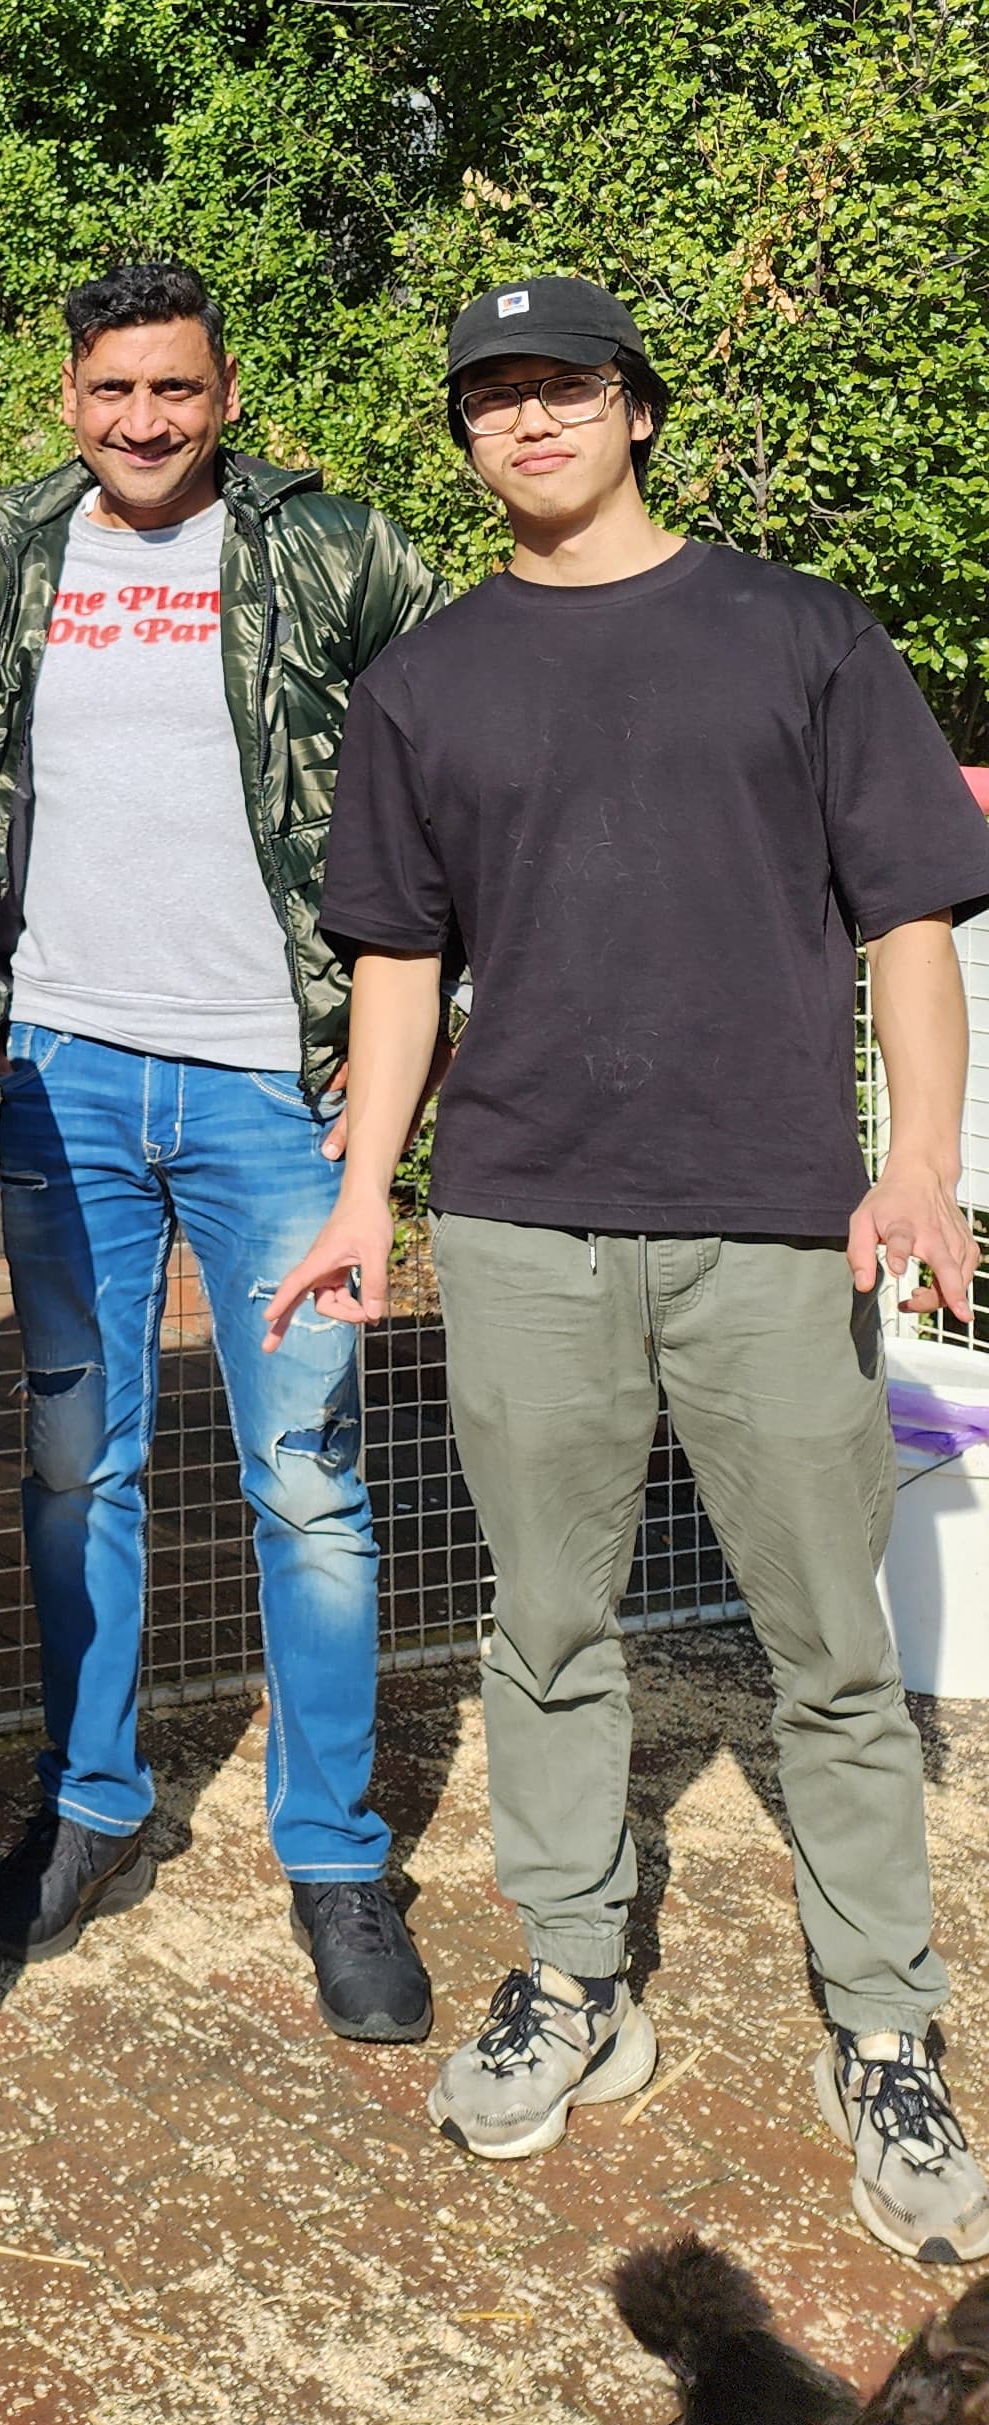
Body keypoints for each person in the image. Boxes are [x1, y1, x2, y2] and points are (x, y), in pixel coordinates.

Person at [269, 273, 989, 2261]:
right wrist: (363, 1190)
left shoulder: (800, 633)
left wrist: (918, 1161)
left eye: (562, 386)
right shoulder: (429, 680)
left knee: (831, 1648)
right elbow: (397, 963)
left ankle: (885, 2023)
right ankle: (578, 1980)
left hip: (774, 1217)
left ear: (637, 410)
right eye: (491, 395)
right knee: (548, 1629)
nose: (527, 420)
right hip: (519, 1219)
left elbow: (911, 920)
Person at [0, 258, 447, 2041]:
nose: (143, 422)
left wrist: (401, 1026)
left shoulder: (336, 551)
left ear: (226, 395)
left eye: (176, 390)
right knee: (77, 1468)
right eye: (110, 392)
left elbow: (457, 751)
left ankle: (333, 1853)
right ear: (67, 396)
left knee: (306, 1483)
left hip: (267, 1087)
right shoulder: (10, 555)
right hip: (59, 1075)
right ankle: (89, 1806)